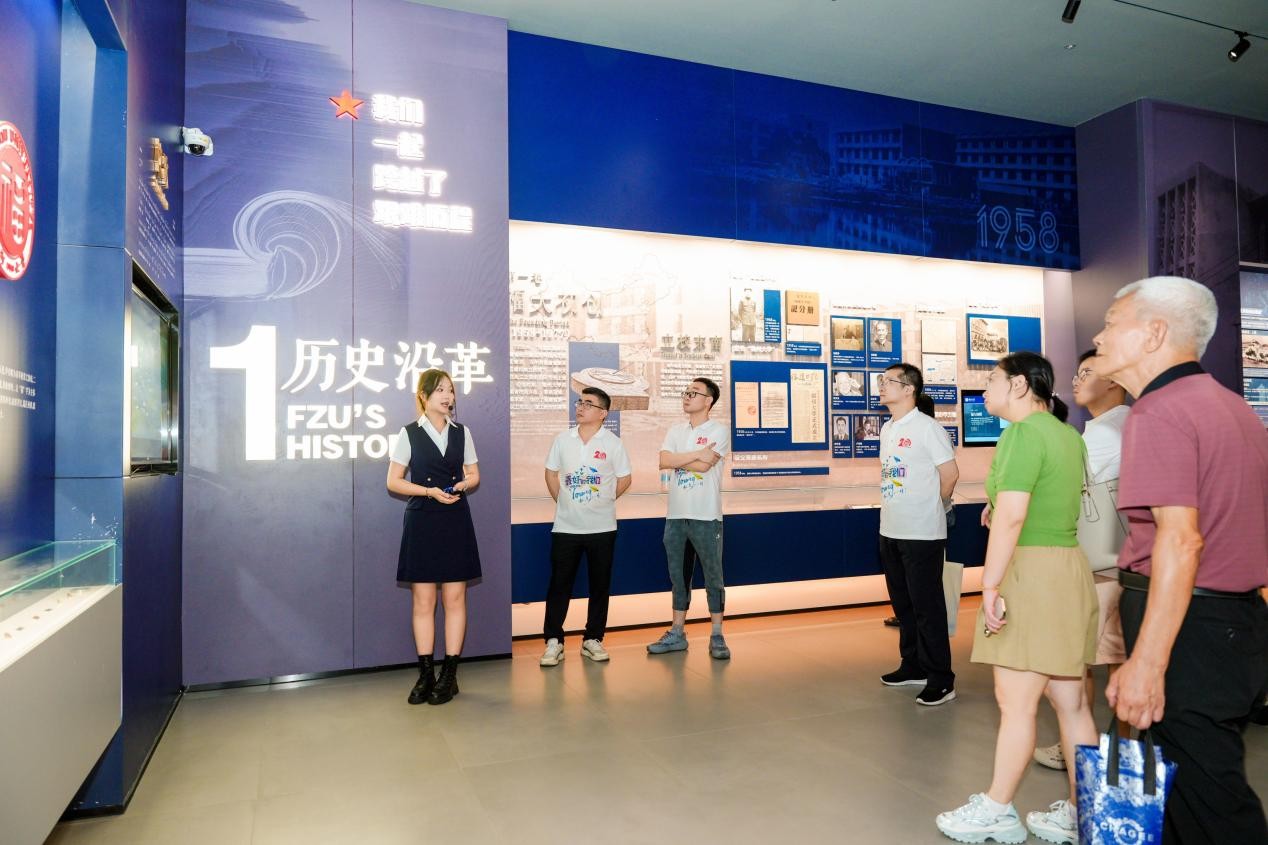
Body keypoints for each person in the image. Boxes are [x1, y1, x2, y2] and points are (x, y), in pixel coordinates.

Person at [1093, 276, 1268, 844]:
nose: (1099, 337)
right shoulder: (1233, 407)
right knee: (1190, 794)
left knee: (1207, 806)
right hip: (1229, 625)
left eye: (1111, 323)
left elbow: (1180, 541)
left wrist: (1147, 663)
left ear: (1154, 333)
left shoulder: (1159, 411)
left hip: (1189, 629)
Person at [936, 352, 1098, 845]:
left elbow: (1013, 517)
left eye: (992, 380)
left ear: (1022, 385)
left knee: (1016, 701)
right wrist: (997, 504)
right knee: (1072, 704)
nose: (985, 389)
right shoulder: (1067, 435)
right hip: (1067, 569)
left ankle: (997, 809)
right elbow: (1044, 501)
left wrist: (989, 586)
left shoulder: (1022, 434)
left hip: (1031, 573)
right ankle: (1084, 813)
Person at [1034, 349, 1131, 771]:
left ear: (1114, 380)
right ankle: (1111, 748)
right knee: (1110, 656)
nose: (1076, 380)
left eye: (1087, 372)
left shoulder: (1107, 432)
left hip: (1100, 566)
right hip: (1117, 561)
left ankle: (1086, 748)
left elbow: (1059, 482)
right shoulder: (1119, 425)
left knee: (1085, 658)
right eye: (1076, 373)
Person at [386, 368, 481, 706]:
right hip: (422, 520)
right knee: (423, 602)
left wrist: (464, 483)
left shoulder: (462, 432)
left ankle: (449, 675)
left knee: (455, 600)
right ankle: (426, 674)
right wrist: (428, 491)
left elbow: (474, 474)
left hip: (455, 518)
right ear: (424, 396)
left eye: (450, 390)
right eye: (440, 390)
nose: (447, 396)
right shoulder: (409, 432)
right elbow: (393, 481)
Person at [875, 363, 960, 705]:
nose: (881, 386)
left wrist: (934, 506)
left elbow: (950, 475)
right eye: (881, 381)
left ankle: (941, 678)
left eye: (888, 381)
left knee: (928, 607)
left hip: (922, 532)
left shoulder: (927, 428)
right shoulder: (887, 427)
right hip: (890, 528)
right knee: (904, 605)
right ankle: (913, 665)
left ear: (909, 389)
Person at [540, 387, 633, 666]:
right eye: (579, 402)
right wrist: (564, 502)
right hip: (565, 527)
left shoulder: (613, 443)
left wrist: (603, 502)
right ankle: (553, 640)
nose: (580, 407)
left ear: (603, 413)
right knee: (559, 584)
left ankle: (593, 638)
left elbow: (625, 479)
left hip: (602, 527)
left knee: (600, 585)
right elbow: (550, 473)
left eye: (588, 404)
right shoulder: (562, 439)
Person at [647, 377, 732, 659]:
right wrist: (697, 454)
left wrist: (681, 458)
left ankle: (717, 634)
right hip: (676, 516)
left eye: (694, 393)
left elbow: (706, 466)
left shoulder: (719, 430)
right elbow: (664, 461)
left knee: (713, 576)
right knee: (678, 577)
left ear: (708, 400)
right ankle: (677, 633)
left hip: (706, 516)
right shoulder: (675, 431)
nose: (687, 396)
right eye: (686, 392)